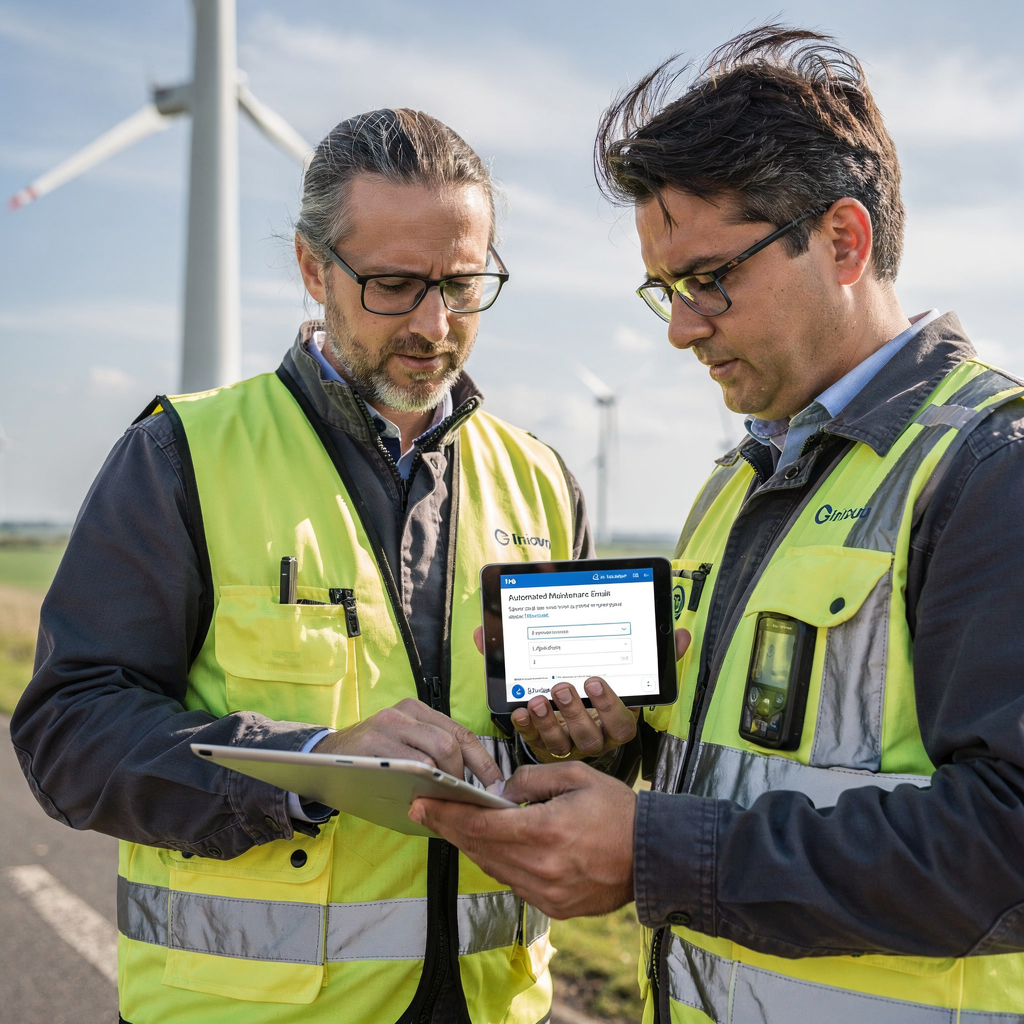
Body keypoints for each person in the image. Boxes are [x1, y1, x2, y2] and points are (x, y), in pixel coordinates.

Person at [411, 27, 1024, 1023]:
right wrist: (612, 741)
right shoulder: (737, 482)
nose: (679, 327)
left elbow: (1008, 844)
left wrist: (656, 852)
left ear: (842, 241)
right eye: (665, 288)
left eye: (707, 278)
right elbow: (733, 767)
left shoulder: (989, 470)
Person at [10, 108, 641, 1024]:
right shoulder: (181, 455)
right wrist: (309, 761)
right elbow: (69, 738)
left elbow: (582, 747)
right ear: (313, 268)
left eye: (464, 286)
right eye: (393, 284)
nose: (435, 324)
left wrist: (601, 742)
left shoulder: (540, 480)